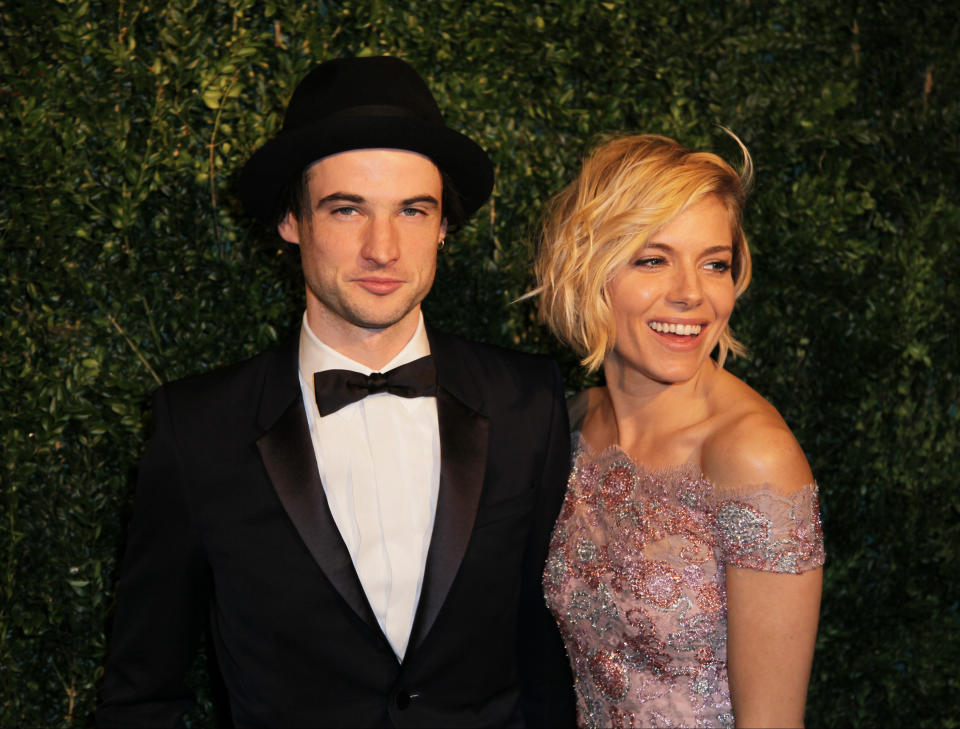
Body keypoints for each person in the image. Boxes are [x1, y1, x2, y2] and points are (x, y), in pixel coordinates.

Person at [97, 56, 575, 728]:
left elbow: (550, 660)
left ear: (443, 226)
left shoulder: (529, 403)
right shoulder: (198, 430)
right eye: (347, 209)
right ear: (291, 220)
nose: (383, 248)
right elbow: (141, 694)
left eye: (413, 210)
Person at [533, 134, 825, 728]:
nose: (692, 293)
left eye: (714, 263)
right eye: (652, 259)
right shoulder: (569, 423)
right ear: (587, 268)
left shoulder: (751, 458)